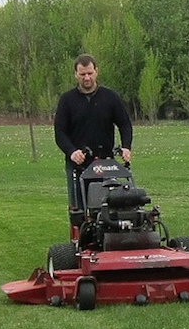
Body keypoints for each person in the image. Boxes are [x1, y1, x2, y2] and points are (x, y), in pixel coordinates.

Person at [54, 54, 133, 214]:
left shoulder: (110, 97)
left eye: (90, 73)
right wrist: (71, 152)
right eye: (82, 74)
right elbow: (60, 133)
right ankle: (80, 237)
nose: (87, 77)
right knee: (79, 209)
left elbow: (125, 124)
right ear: (76, 74)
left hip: (105, 163)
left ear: (96, 71)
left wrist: (126, 147)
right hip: (79, 164)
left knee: (108, 205)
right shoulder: (67, 100)